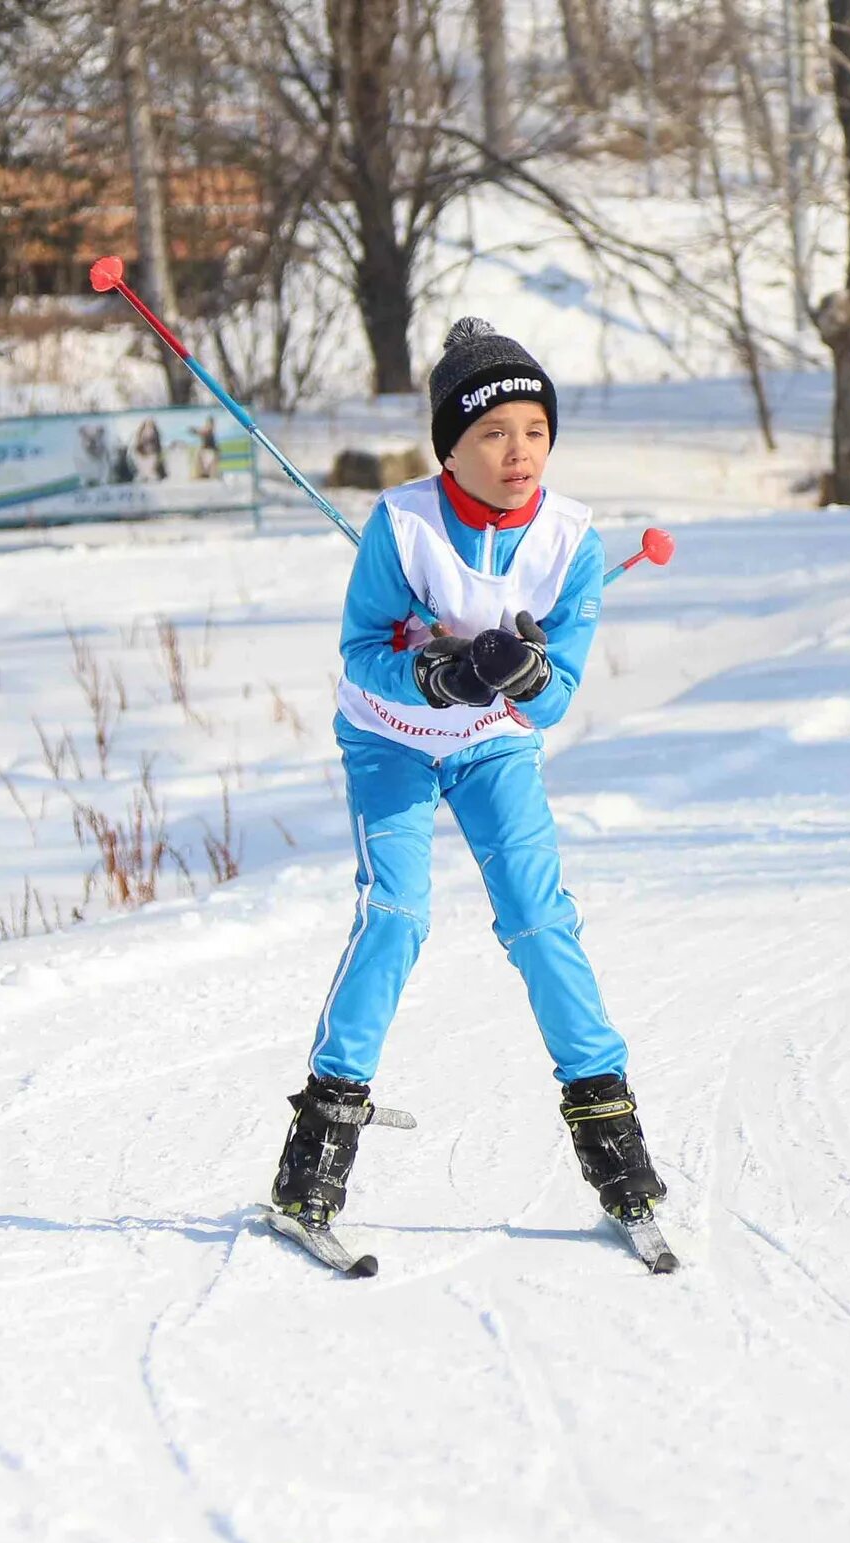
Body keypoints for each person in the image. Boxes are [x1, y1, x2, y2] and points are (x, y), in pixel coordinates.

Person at [268, 317, 665, 1255]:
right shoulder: (400, 525)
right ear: (451, 445)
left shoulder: (570, 540)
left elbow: (557, 693)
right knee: (397, 914)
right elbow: (361, 650)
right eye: (491, 433)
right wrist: (435, 676)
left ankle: (612, 1139)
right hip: (391, 742)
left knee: (539, 919)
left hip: (491, 749)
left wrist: (521, 676)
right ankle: (314, 1156)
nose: (516, 451)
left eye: (533, 430)